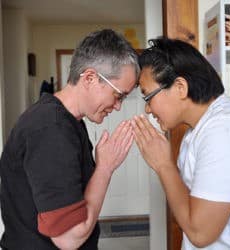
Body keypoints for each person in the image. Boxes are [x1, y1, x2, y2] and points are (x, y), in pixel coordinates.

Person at [0, 29, 139, 250]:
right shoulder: (50, 129)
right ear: (90, 78)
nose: (119, 105)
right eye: (118, 95)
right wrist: (105, 168)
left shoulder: (68, 122)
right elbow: (69, 238)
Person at [132, 37, 230, 249]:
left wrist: (163, 165)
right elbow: (188, 210)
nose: (148, 109)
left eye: (149, 97)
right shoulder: (198, 129)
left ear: (180, 87)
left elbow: (199, 233)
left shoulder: (225, 131)